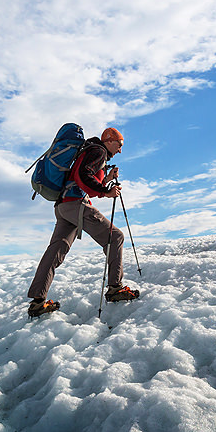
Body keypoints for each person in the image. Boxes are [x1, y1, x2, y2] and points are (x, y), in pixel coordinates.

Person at [27, 127, 139, 317]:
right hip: (76, 205)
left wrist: (106, 180)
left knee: (54, 252)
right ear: (109, 141)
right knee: (116, 237)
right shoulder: (98, 151)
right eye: (119, 145)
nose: (120, 150)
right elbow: (82, 176)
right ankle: (115, 288)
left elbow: (82, 178)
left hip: (63, 206)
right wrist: (106, 191)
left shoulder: (89, 150)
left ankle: (37, 302)